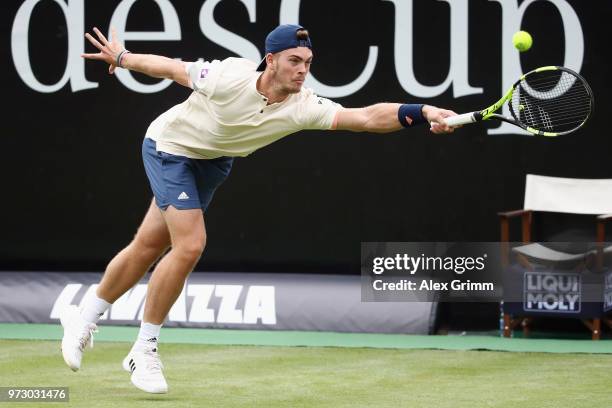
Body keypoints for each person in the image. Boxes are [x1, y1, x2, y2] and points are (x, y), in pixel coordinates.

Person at [59, 24, 457, 394]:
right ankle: (143, 350)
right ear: (271, 60)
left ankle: (83, 316)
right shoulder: (228, 76)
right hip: (171, 149)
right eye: (294, 61)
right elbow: (172, 69)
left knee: (148, 246)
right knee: (191, 244)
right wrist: (123, 57)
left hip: (214, 160)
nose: (303, 71)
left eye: (308, 63)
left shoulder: (303, 105)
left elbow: (366, 117)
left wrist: (422, 113)